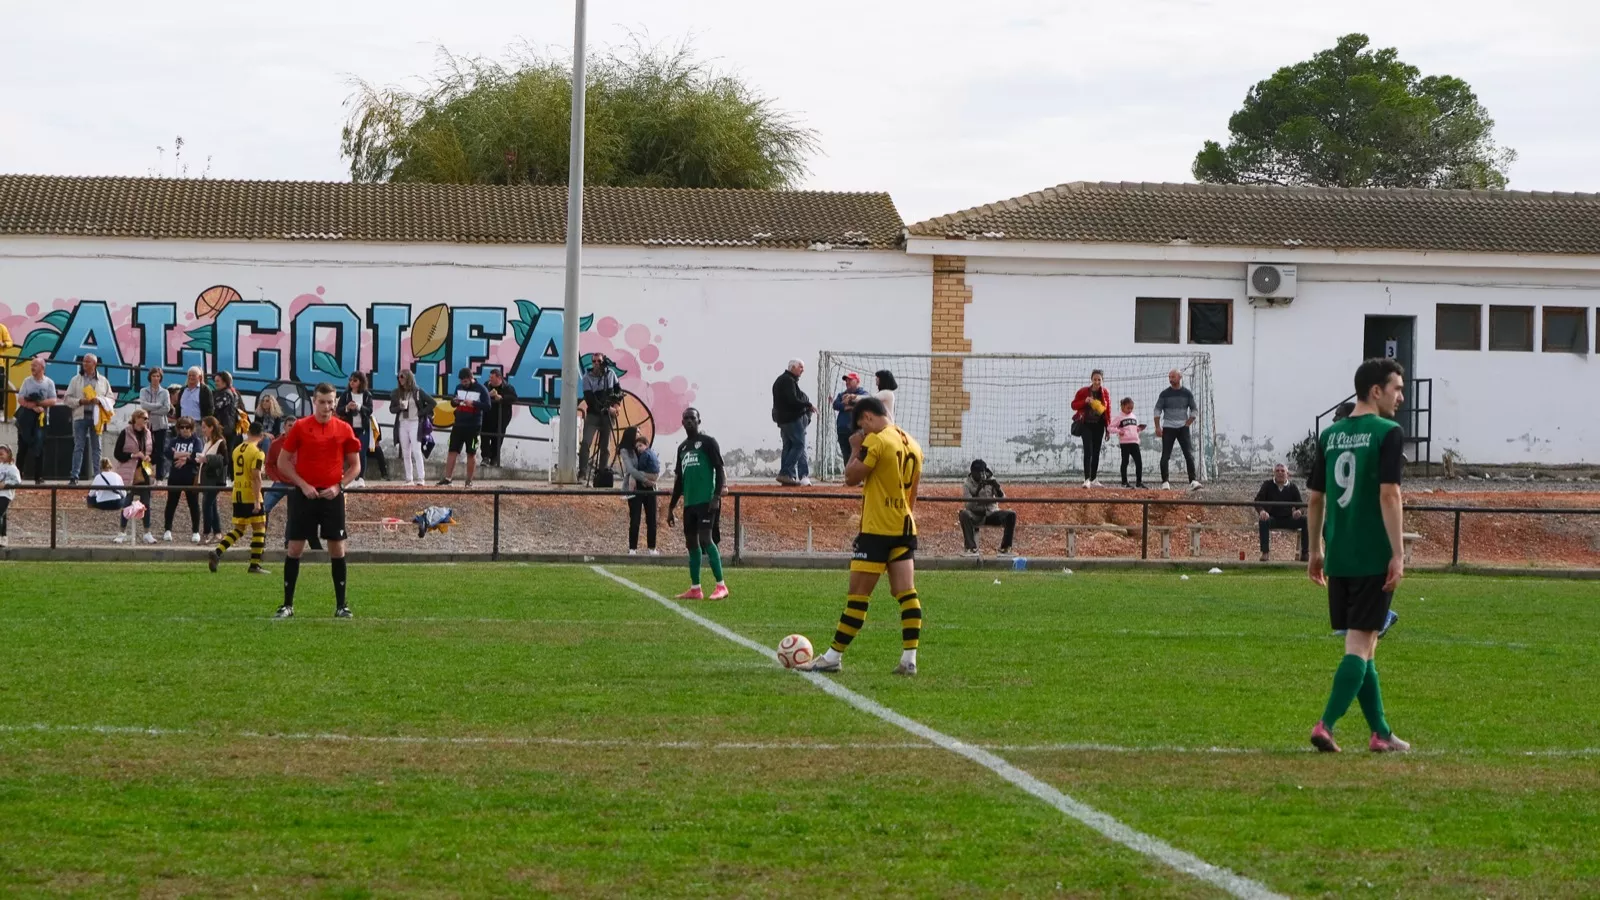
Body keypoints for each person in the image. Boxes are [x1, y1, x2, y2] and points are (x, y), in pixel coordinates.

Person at [1306, 357, 1411, 754]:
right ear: (1375, 391)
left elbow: (1316, 498)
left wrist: (1315, 550)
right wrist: (1398, 554)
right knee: (1359, 645)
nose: (1401, 397)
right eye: (1397, 389)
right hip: (1372, 556)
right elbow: (1390, 494)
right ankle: (1326, 724)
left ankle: (1380, 732)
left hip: (1339, 555)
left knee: (1366, 645)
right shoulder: (1388, 432)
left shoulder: (1330, 435)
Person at [800, 396, 923, 676]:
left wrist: (855, 448)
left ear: (868, 416)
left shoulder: (877, 440)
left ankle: (832, 657)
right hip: (904, 527)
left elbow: (851, 477)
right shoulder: (914, 445)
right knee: (906, 593)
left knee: (858, 596)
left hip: (876, 530)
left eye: (862, 426)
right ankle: (909, 659)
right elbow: (912, 495)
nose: (862, 432)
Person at [276, 383, 362, 619]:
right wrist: (302, 484)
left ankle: (341, 606)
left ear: (335, 402)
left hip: (332, 496)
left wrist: (339, 486)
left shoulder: (343, 428)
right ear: (314, 401)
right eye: (322, 402)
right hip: (304, 495)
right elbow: (283, 462)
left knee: (337, 548)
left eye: (330, 402)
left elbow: (355, 466)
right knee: (295, 548)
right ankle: (287, 605)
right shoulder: (301, 427)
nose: (326, 406)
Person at [666, 408, 729, 600]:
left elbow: (719, 469)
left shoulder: (708, 442)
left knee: (706, 539)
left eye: (692, 418)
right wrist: (671, 507)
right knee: (691, 543)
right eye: (685, 418)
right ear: (682, 422)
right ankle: (695, 589)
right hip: (690, 503)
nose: (689, 421)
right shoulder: (682, 448)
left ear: (699, 420)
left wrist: (716, 496)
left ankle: (721, 586)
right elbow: (679, 480)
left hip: (706, 500)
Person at [208, 420, 270, 575]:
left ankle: (218, 551)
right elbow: (256, 477)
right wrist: (257, 500)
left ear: (248, 433)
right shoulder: (258, 452)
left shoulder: (237, 449)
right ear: (261, 436)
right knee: (259, 527)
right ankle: (254, 564)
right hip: (250, 494)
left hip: (237, 493)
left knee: (239, 529)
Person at [65, 354, 112, 485]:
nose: (84, 364)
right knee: (78, 447)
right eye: (84, 361)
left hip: (97, 418)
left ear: (95, 364)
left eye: (88, 362)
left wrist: (100, 401)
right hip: (80, 417)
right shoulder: (75, 380)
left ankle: (98, 477)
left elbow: (111, 399)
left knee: (97, 448)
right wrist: (80, 401)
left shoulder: (103, 381)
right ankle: (74, 476)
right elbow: (67, 399)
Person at [438, 368, 489, 488]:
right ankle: (448, 478)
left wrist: (474, 403)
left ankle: (469, 481)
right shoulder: (459, 387)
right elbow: (453, 403)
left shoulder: (481, 389)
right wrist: (454, 401)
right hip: (458, 424)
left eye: (465, 381)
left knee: (471, 453)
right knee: (452, 450)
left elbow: (487, 406)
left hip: (473, 425)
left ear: (471, 378)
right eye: (462, 381)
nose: (464, 384)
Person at [113, 409, 157, 544]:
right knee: (127, 502)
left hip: (144, 472)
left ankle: (147, 532)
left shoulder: (148, 433)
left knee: (146, 503)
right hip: (129, 473)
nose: (146, 421)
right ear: (136, 418)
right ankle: (122, 532)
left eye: (147, 418)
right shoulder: (125, 432)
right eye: (144, 418)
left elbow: (154, 452)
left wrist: (150, 457)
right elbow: (117, 453)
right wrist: (133, 455)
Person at [1154, 369, 1202, 491]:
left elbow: (1194, 409)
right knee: (1165, 455)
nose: (1171, 379)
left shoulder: (1187, 393)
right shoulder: (1164, 394)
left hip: (1182, 428)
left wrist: (1189, 421)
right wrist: (1157, 426)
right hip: (1168, 427)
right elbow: (1157, 410)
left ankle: (1193, 481)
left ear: (1180, 377)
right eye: (1169, 377)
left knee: (1188, 454)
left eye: (1173, 377)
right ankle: (1165, 482)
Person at [771, 358, 815, 486]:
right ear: (793, 367)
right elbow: (792, 400)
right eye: (800, 367)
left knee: (788, 446)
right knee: (799, 444)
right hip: (791, 418)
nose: (802, 370)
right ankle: (786, 473)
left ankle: (787, 477)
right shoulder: (788, 381)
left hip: (783, 419)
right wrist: (807, 405)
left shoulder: (783, 380)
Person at [618, 426, 661, 555]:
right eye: (637, 432)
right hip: (635, 486)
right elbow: (631, 469)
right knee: (635, 519)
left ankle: (652, 548)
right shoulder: (625, 450)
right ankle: (633, 549)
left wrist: (653, 478)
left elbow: (653, 464)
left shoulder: (644, 447)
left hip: (649, 487)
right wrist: (645, 479)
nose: (639, 434)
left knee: (651, 518)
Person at [959, 459, 1015, 556]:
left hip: (992, 513)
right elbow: (968, 505)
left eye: (983, 472)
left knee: (1011, 515)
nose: (982, 475)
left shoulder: (991, 479)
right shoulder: (967, 484)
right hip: (977, 515)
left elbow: (1002, 499)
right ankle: (971, 548)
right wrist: (977, 491)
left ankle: (1005, 548)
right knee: (964, 514)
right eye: (979, 473)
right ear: (972, 472)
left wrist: (997, 488)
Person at [579, 355, 621, 483]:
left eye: (599, 361)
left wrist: (617, 406)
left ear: (604, 362)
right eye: (594, 361)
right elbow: (591, 400)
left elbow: (618, 392)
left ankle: (602, 474)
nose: (596, 363)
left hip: (608, 416)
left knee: (605, 446)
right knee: (586, 443)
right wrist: (608, 409)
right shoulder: (587, 378)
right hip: (593, 415)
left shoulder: (611, 374)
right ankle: (582, 473)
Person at [15, 358, 57, 484]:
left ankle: (38, 477)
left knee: (39, 447)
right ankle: (17, 475)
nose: (32, 367)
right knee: (22, 447)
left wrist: (40, 403)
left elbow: (53, 400)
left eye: (35, 365)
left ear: (42, 368)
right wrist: (32, 406)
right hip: (26, 420)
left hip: (41, 420)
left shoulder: (49, 382)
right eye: (31, 365)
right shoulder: (27, 381)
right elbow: (20, 399)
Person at [1255, 463, 1308, 562]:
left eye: (1282, 471)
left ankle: (1305, 553)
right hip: (1272, 518)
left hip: (1288, 519)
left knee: (1306, 520)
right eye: (1277, 471)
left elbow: (1301, 505)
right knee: (1263, 520)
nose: (1280, 473)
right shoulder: (1267, 485)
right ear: (1274, 473)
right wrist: (1262, 511)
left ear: (1287, 474)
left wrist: (1299, 511)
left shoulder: (1292, 487)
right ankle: (1265, 553)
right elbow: (1257, 501)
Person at [162, 416, 203, 543]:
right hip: (175, 476)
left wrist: (183, 458)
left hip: (191, 477)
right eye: (182, 427)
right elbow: (168, 453)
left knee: (193, 504)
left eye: (188, 427)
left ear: (192, 428)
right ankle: (167, 529)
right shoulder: (174, 440)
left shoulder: (197, 440)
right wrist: (187, 455)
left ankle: (195, 531)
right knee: (171, 503)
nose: (185, 429)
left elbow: (198, 455)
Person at [390, 370, 434, 486]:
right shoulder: (397, 393)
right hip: (402, 422)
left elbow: (432, 403)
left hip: (415, 422)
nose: (400, 379)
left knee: (416, 450)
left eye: (402, 377)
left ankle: (421, 477)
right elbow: (392, 409)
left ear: (408, 378)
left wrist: (420, 413)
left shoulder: (417, 391)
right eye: (399, 377)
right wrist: (399, 407)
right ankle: (409, 478)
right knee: (405, 452)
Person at [1070, 369, 1112, 488]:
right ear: (1091, 379)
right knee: (1088, 451)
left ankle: (1093, 478)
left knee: (1096, 451)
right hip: (1086, 424)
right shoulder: (1083, 391)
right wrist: (1085, 401)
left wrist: (1108, 428)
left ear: (1102, 380)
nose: (1097, 382)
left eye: (1099, 380)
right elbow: (1073, 405)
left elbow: (1108, 410)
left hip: (1099, 425)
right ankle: (1087, 479)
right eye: (1095, 379)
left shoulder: (1105, 392)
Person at [336, 373, 374, 488]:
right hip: (349, 428)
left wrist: (359, 407)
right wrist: (347, 407)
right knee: (349, 453)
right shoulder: (346, 394)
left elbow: (369, 410)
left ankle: (361, 478)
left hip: (363, 428)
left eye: (355, 380)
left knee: (362, 453)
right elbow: (339, 410)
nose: (352, 382)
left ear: (361, 382)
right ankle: (350, 478)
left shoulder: (367, 395)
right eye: (350, 380)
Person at [197, 416, 230, 542]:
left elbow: (225, 460)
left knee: (207, 505)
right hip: (207, 479)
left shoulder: (220, 442)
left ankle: (206, 533)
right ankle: (217, 533)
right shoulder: (207, 442)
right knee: (212, 505)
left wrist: (207, 459)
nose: (203, 430)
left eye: (204, 427)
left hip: (215, 480)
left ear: (211, 428)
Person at [138, 368, 173, 484]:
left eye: (158, 376)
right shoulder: (143, 391)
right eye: (154, 376)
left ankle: (159, 478)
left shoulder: (165, 392)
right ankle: (147, 475)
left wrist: (151, 410)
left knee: (160, 452)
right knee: (146, 450)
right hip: (146, 425)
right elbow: (143, 405)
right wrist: (158, 405)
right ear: (150, 377)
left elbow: (166, 409)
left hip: (161, 425)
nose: (156, 378)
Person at [831, 372, 869, 467]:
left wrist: (851, 402)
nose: (847, 382)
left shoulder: (862, 394)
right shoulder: (842, 394)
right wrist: (845, 407)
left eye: (850, 380)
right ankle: (848, 474)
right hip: (843, 430)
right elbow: (835, 404)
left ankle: (857, 474)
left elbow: (866, 400)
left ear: (857, 381)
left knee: (858, 455)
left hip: (857, 430)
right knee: (846, 455)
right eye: (846, 380)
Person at [482, 369, 518, 468]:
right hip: (487, 417)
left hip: (501, 418)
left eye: (492, 377)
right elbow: (480, 396)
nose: (490, 379)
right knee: (484, 437)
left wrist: (501, 398)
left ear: (499, 377)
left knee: (497, 439)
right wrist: (488, 395)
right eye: (490, 377)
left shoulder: (507, 387)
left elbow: (514, 398)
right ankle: (485, 458)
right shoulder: (486, 385)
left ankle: (494, 459)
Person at [87, 459, 129, 540]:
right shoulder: (117, 476)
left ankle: (90, 505)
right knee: (126, 498)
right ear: (111, 466)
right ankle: (123, 530)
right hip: (116, 504)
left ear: (100, 467)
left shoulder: (98, 477)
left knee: (90, 497)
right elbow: (124, 494)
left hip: (102, 504)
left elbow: (91, 494)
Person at [1113, 397, 1147, 488]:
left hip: (1134, 442)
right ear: (1122, 406)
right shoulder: (1119, 417)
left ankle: (1139, 482)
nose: (1130, 410)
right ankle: (1124, 482)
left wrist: (1138, 429)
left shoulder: (1134, 416)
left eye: (1131, 408)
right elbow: (1110, 427)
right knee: (1125, 462)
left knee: (1139, 462)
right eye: (1128, 408)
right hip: (1125, 443)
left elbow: (1133, 428)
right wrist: (1119, 431)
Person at [0, 444, 19, 548]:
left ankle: (2, 536)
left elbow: (17, 481)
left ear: (8, 454)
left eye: (2, 454)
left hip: (6, 495)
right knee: (2, 516)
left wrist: (6, 483)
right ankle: (3, 537)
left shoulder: (12, 468)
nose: (0, 456)